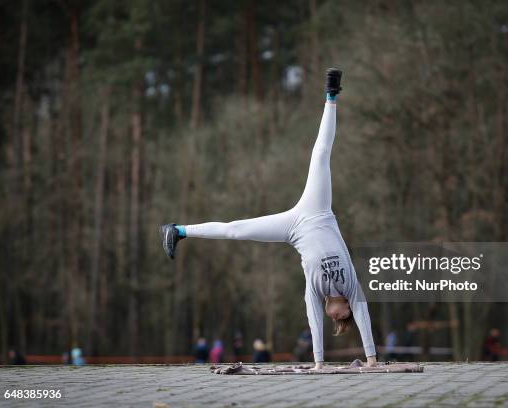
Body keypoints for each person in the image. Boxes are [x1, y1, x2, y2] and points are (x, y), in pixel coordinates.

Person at [160, 69, 377, 370]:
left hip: (293, 230)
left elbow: (314, 322)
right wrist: (371, 359)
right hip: (318, 212)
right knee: (320, 154)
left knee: (237, 231)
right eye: (341, 319)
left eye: (335, 322)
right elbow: (363, 316)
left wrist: (318, 364)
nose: (334, 318)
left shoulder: (315, 292)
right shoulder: (352, 286)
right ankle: (331, 95)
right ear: (348, 308)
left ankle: (178, 230)